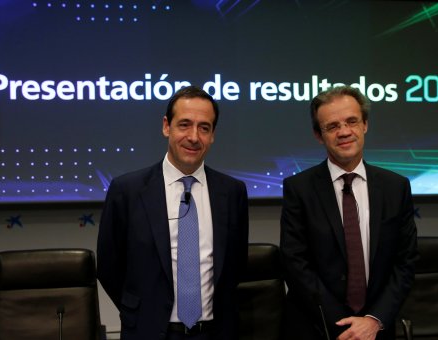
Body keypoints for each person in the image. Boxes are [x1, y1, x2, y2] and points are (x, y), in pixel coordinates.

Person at [97, 85, 249, 340]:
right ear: (166, 126)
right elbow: (110, 266)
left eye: (204, 128)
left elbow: (235, 266)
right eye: (184, 124)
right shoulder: (128, 190)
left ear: (212, 135)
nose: (193, 137)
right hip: (149, 331)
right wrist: (139, 312)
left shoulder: (232, 192)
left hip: (215, 332)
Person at [280, 85, 418, 340]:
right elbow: (295, 262)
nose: (344, 132)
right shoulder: (298, 188)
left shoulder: (396, 187)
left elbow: (405, 262)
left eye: (352, 121)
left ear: (365, 125)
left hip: (376, 330)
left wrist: (373, 320)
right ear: (318, 136)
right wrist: (346, 324)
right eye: (332, 126)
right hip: (316, 327)